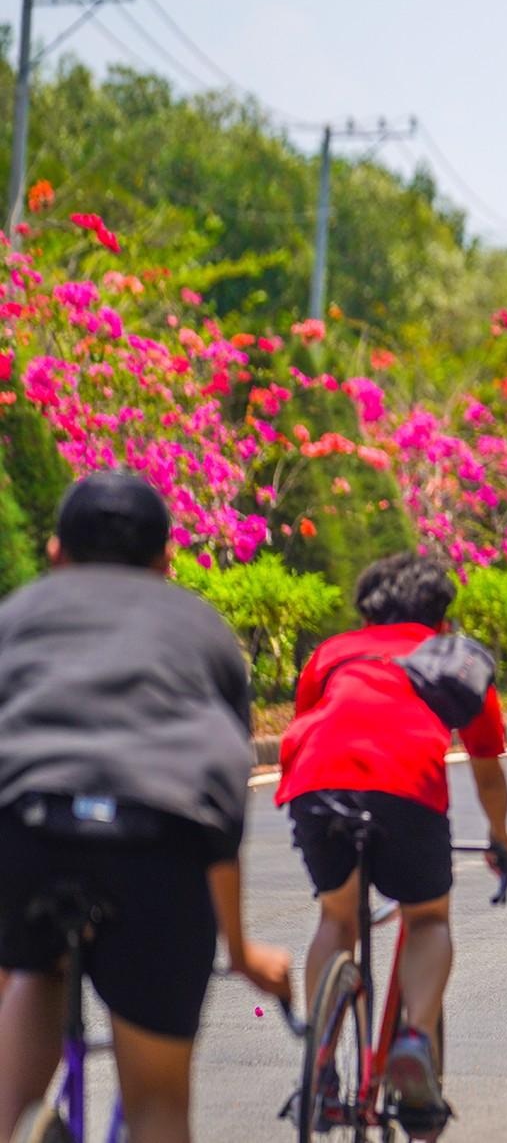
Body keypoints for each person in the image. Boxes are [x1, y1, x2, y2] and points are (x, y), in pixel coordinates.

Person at [0, 471, 291, 1143]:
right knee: (157, 1102)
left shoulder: (16, 616)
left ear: (55, 553)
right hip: (156, 836)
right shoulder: (202, 630)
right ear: (167, 560)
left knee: (30, 968)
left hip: (24, 824)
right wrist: (241, 949)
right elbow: (221, 789)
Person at [276, 553, 507, 1136]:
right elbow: (487, 769)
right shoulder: (458, 658)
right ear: (442, 616)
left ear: (367, 607)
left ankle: (321, 1064)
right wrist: (499, 838)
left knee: (337, 918)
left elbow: (312, 726)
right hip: (406, 788)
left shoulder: (332, 652)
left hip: (317, 785)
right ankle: (413, 1038)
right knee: (428, 918)